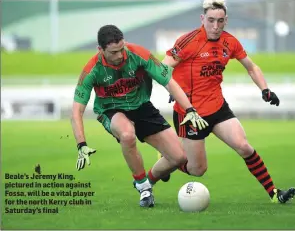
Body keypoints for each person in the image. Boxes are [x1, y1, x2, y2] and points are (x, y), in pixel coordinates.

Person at [159, 0, 295, 203]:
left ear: (226, 21)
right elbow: (162, 67)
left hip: (217, 107)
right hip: (190, 113)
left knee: (244, 147)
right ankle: (168, 161)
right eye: (211, 20)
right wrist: (172, 88)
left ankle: (274, 194)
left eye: (220, 21)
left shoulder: (230, 42)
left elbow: (251, 67)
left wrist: (265, 89)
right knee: (197, 170)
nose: (215, 26)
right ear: (202, 19)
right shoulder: (189, 41)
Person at [71, 24, 208, 208]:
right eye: (113, 52)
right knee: (127, 135)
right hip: (110, 110)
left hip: (142, 107)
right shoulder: (92, 70)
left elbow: (169, 83)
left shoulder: (139, 54)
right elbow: (76, 111)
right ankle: (145, 190)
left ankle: (146, 182)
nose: (119, 55)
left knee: (179, 158)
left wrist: (190, 109)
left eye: (122, 49)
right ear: (100, 50)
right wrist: (81, 144)